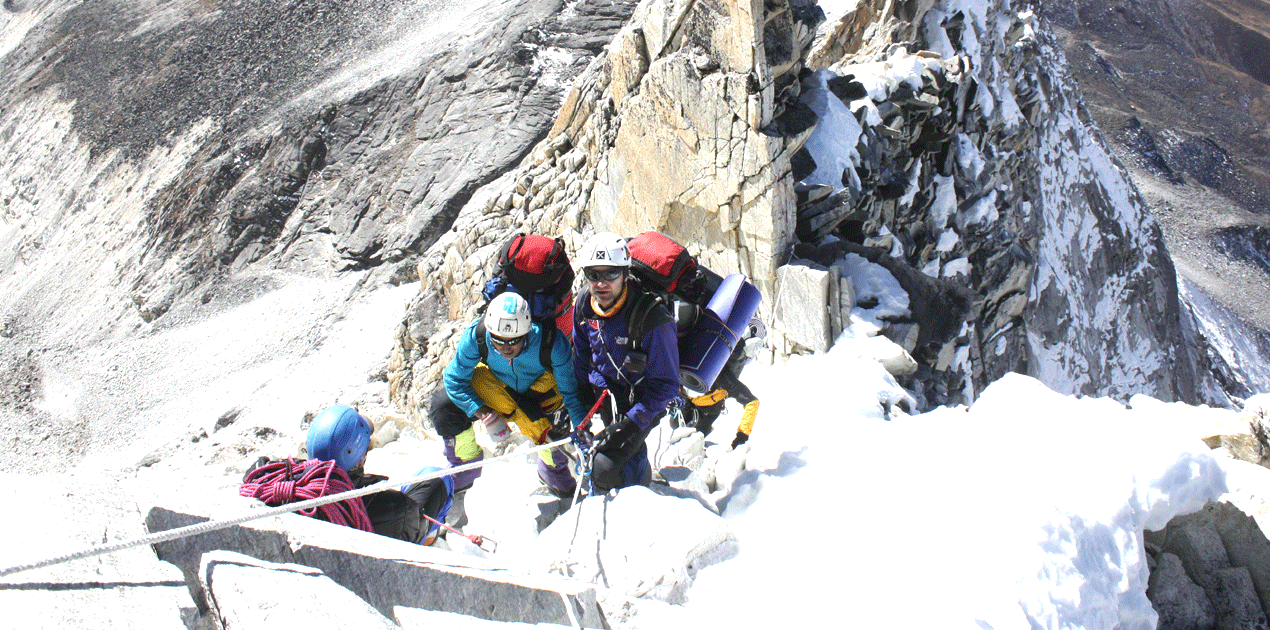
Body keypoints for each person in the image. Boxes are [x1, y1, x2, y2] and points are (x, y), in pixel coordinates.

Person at [430, 292, 590, 502]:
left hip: (541, 395)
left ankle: (552, 470)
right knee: (444, 405)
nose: (506, 348)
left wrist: (582, 429)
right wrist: (482, 412)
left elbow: (570, 392)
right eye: (497, 341)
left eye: (514, 341)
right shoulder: (478, 336)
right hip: (498, 390)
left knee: (553, 432)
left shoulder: (551, 342)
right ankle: (464, 464)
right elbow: (453, 379)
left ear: (526, 333)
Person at [240, 404, 454, 546]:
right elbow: (416, 524)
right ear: (360, 456)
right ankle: (433, 541)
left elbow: (257, 469)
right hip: (395, 529)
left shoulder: (274, 481)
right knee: (436, 478)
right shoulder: (395, 507)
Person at [571, 232, 681, 493]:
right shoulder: (585, 304)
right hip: (609, 392)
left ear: (625, 273)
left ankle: (637, 491)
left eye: (610, 274)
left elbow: (666, 386)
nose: (601, 283)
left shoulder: (652, 318)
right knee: (604, 456)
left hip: (644, 399)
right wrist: (583, 397)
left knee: (606, 467)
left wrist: (630, 424)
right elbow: (583, 353)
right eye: (593, 274)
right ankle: (635, 480)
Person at [681, 318, 765, 448]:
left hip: (694, 399)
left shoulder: (720, 361)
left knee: (685, 432)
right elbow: (752, 403)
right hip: (707, 404)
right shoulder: (728, 372)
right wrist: (742, 436)